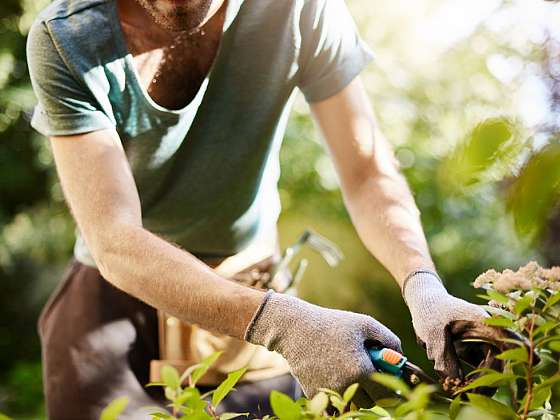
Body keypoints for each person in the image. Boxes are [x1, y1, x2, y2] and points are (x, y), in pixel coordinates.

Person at [26, 0, 489, 418]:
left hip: (250, 284)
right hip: (113, 307)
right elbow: (114, 241)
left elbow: (367, 171)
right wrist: (282, 323)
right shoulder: (67, 36)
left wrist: (424, 287)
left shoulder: (299, 9)